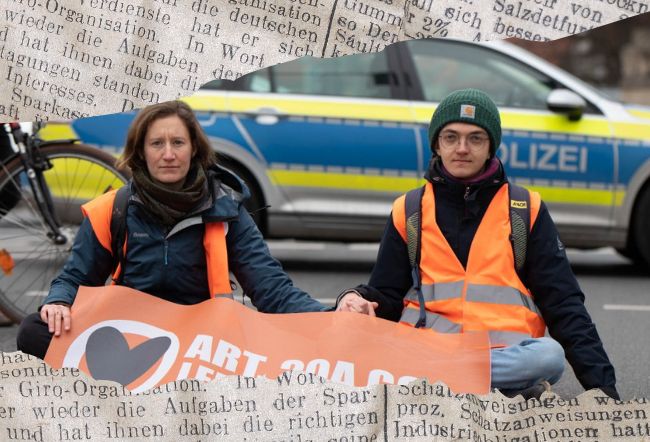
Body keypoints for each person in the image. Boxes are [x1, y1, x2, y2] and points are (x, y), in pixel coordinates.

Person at [336, 89, 619, 399]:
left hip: (497, 354)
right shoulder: (409, 209)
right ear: (437, 144)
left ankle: (446, 385)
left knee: (548, 356)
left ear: (490, 148)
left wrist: (604, 390)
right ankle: (495, 390)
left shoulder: (524, 209)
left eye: (475, 138)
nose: (462, 148)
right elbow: (385, 294)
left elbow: (564, 304)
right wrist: (357, 298)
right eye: (451, 137)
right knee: (368, 341)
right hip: (425, 349)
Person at [17, 100, 326, 359]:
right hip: (129, 337)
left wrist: (332, 318)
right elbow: (75, 277)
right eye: (157, 143)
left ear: (194, 149)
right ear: (140, 152)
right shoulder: (112, 209)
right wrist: (58, 301)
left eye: (178, 143)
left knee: (280, 339)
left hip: (202, 345)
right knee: (34, 331)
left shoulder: (228, 212)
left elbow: (272, 291)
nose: (168, 154)